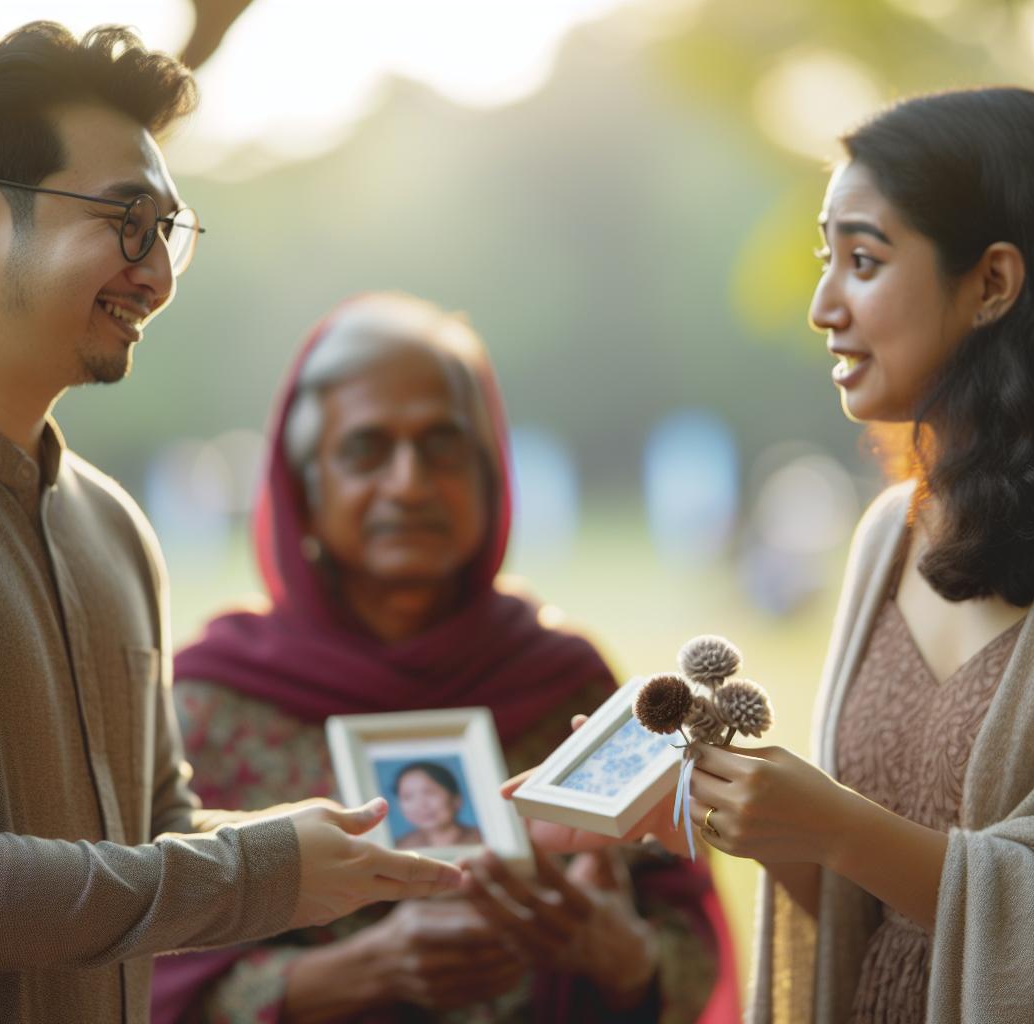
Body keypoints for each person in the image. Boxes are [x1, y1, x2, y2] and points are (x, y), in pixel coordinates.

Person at [0, 25, 458, 1024]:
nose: (157, 274)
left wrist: (346, 841)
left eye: (169, 231)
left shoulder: (114, 528)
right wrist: (261, 867)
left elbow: (154, 830)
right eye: (127, 223)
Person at [524, 86, 1034, 1022]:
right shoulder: (889, 535)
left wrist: (838, 826)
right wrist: (729, 813)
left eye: (863, 260)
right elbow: (871, 911)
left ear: (993, 284)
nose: (823, 306)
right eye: (828, 260)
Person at [152, 293, 740, 1024]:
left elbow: (685, 941)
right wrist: (355, 973)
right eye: (366, 450)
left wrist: (621, 957)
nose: (409, 483)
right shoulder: (208, 705)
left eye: (442, 447)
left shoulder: (565, 685)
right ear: (305, 484)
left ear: (491, 473)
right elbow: (138, 968)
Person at [390, 762, 484, 850]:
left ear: (456, 799)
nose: (421, 805)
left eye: (430, 793)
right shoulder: (399, 847)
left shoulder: (485, 838)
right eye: (408, 797)